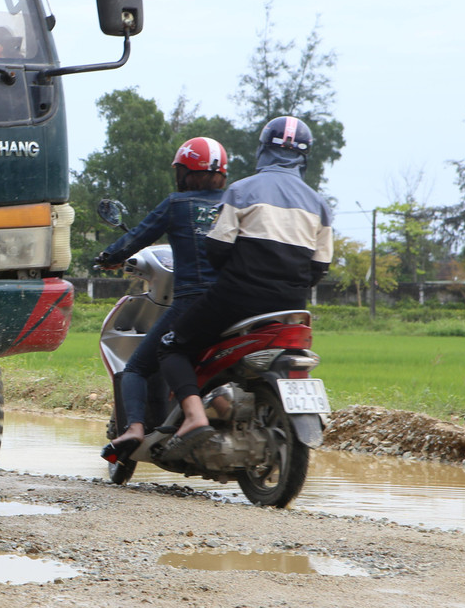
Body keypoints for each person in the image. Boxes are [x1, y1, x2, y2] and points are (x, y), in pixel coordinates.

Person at [155, 115, 334, 452]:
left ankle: (194, 416)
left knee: (172, 346)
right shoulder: (320, 205)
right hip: (291, 308)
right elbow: (319, 268)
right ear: (304, 157)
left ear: (263, 149)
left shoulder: (241, 190)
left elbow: (217, 249)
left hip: (236, 299)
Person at [97, 138, 229, 462]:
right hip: (237, 301)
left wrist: (109, 257)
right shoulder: (236, 203)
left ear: (184, 173)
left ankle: (134, 430)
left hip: (192, 302)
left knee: (138, 367)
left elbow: (137, 237)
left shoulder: (176, 204)